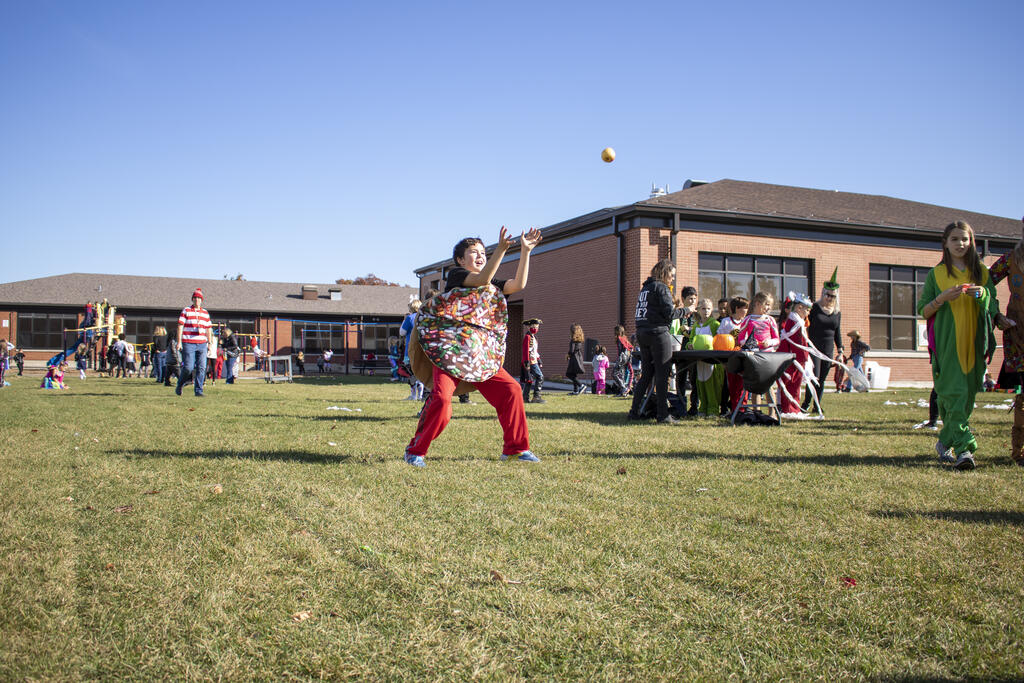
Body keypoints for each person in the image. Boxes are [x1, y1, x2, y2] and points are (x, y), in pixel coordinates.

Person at [404, 226, 543, 467]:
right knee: (442, 401)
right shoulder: (456, 276)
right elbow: (482, 279)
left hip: (479, 356)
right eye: (473, 252)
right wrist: (500, 250)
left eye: (482, 252)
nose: (480, 256)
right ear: (460, 259)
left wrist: (525, 251)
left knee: (511, 390)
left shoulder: (492, 288)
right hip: (450, 353)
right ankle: (415, 451)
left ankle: (515, 449)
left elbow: (518, 284)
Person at [917, 220, 1010, 470]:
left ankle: (945, 440)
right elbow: (923, 310)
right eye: (955, 239)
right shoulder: (936, 274)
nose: (960, 244)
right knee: (954, 394)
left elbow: (993, 305)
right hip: (947, 343)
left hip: (975, 343)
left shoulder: (981, 273)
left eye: (965, 239)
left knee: (966, 398)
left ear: (972, 242)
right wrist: (942, 298)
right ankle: (965, 450)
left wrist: (983, 295)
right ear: (945, 243)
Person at [985, 216, 1024, 464]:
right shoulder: (1011, 259)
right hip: (1019, 335)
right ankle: (1020, 452)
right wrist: (997, 315)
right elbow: (985, 284)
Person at [628, 259, 683, 424]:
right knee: (662, 374)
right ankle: (662, 414)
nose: (673, 278)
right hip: (658, 333)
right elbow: (670, 314)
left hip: (642, 333)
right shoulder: (661, 288)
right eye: (672, 275)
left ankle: (634, 411)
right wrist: (686, 310)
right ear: (664, 273)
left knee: (646, 374)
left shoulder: (645, 288)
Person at [801, 269, 843, 413]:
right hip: (814, 346)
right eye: (827, 295)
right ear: (823, 293)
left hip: (828, 349)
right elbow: (805, 325)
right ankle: (806, 403)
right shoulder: (814, 308)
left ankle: (817, 405)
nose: (829, 298)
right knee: (814, 376)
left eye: (833, 296)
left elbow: (837, 332)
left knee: (822, 378)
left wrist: (840, 350)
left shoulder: (837, 313)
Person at [778, 292, 815, 417]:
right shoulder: (795, 321)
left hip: (794, 358)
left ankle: (793, 408)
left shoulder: (795, 320)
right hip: (793, 359)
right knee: (791, 385)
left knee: (795, 385)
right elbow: (798, 342)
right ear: (799, 308)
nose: (808, 313)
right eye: (807, 310)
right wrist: (804, 357)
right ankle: (790, 409)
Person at [687, 298, 724, 416]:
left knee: (711, 384)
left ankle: (713, 408)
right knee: (700, 383)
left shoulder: (715, 324)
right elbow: (691, 340)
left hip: (711, 361)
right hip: (699, 361)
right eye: (703, 309)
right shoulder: (696, 326)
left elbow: (720, 341)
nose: (706, 311)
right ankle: (703, 407)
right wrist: (690, 345)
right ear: (698, 310)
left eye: (708, 308)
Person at [176, 288, 212, 397]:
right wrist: (179, 342)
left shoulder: (205, 313)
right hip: (188, 342)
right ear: (192, 299)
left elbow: (208, 329)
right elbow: (180, 326)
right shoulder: (186, 310)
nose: (197, 300)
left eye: (199, 298)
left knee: (202, 367)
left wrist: (209, 343)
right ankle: (180, 384)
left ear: (202, 300)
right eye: (195, 298)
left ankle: (198, 390)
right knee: (188, 367)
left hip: (202, 343)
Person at [718, 297, 749, 414]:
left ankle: (742, 408)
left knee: (743, 384)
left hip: (744, 358)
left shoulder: (747, 322)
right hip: (730, 358)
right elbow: (719, 340)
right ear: (737, 308)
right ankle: (734, 409)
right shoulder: (726, 322)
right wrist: (723, 360)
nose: (746, 311)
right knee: (732, 385)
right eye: (745, 308)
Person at [400, 299, 424, 400]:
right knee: (421, 373)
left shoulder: (409, 318)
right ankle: (421, 395)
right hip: (422, 350)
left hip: (410, 350)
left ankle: (413, 395)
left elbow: (402, 332)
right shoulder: (423, 317)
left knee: (411, 373)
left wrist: (404, 320)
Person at [520, 319, 545, 403]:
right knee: (540, 377)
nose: (535, 329)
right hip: (530, 361)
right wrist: (526, 362)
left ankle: (525, 398)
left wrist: (539, 360)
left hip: (534, 360)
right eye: (534, 327)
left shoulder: (534, 337)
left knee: (529, 380)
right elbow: (525, 350)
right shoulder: (527, 337)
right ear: (529, 327)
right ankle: (536, 397)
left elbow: (534, 351)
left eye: (537, 327)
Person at [565, 323, 587, 395]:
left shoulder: (573, 340)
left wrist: (568, 355)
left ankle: (581, 385)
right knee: (574, 374)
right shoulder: (579, 340)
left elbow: (571, 350)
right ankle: (575, 391)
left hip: (574, 359)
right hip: (578, 358)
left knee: (568, 374)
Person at [613, 325, 633, 397]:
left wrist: (619, 360)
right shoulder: (625, 338)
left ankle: (624, 388)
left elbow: (620, 350)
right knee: (623, 374)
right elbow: (630, 347)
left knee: (614, 373)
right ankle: (624, 391)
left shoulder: (619, 339)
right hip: (627, 357)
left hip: (622, 358)